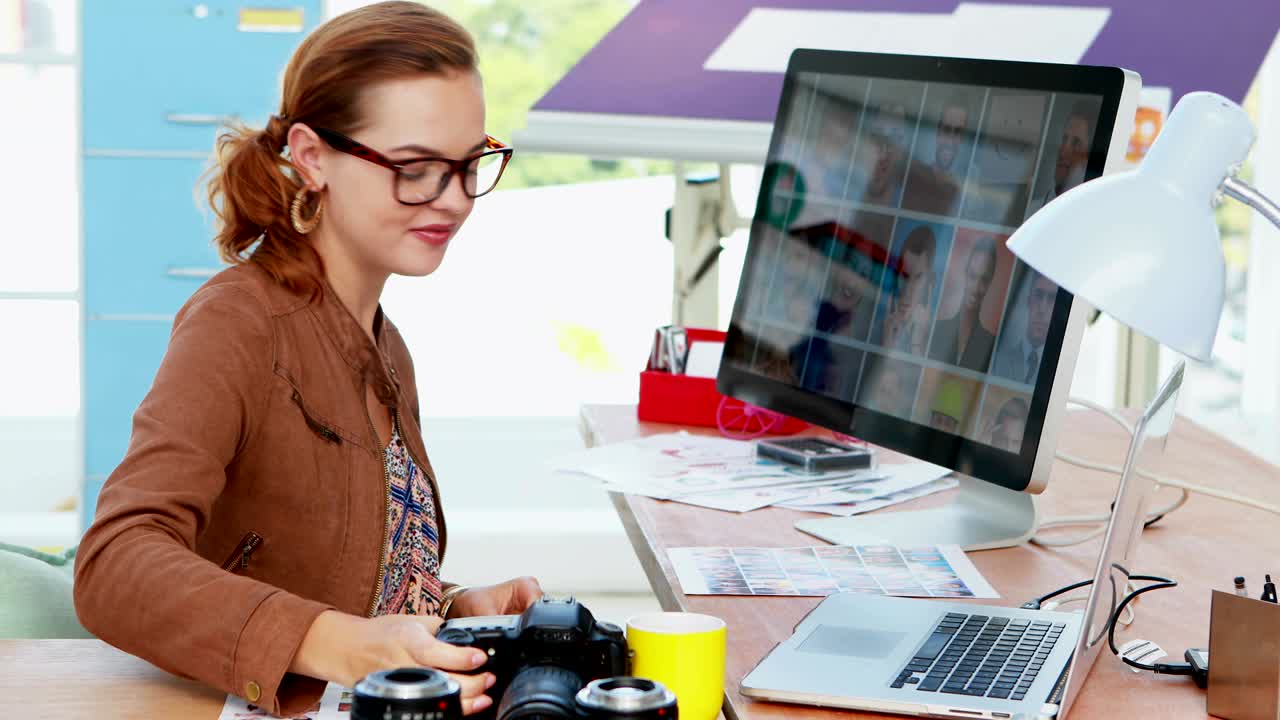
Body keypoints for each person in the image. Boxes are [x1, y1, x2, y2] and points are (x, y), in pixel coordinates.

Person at [73, 4, 540, 716]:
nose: (452, 200)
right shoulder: (240, 322)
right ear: (313, 156)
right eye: (415, 168)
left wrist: (450, 610)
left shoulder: (385, 346)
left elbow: (336, 573)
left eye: (469, 163)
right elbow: (114, 563)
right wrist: (341, 644)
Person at [928, 237, 999, 372]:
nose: (976, 287)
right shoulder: (936, 330)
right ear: (965, 274)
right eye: (973, 276)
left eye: (984, 280)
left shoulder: (991, 345)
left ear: (990, 283)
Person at [901, 95, 971, 216]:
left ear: (963, 139)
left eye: (958, 132)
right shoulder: (911, 177)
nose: (950, 139)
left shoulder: (966, 195)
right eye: (946, 129)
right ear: (938, 132)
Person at [1027, 102, 1095, 215]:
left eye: (1076, 143)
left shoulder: (1089, 214)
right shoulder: (1032, 212)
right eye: (1064, 139)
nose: (1064, 150)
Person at [879, 226, 938, 355]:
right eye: (904, 276)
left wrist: (917, 343)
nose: (907, 291)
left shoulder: (938, 340)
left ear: (930, 283)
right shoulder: (877, 328)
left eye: (917, 278)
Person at [992, 273, 1057, 385]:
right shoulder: (997, 360)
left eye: (1051, 299)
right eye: (1038, 296)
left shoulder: (1056, 371)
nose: (1042, 309)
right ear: (1029, 301)